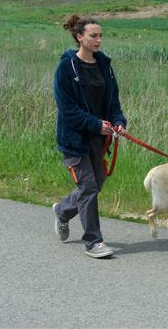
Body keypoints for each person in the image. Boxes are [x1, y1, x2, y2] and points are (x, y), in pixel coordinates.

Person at [52, 14, 127, 258]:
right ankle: (94, 242)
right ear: (79, 37)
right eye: (94, 36)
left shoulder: (104, 65)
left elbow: (113, 100)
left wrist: (118, 122)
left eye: (100, 35)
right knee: (89, 186)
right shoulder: (67, 67)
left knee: (96, 184)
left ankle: (63, 211)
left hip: (99, 139)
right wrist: (96, 124)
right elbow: (68, 110)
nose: (99, 40)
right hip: (75, 140)